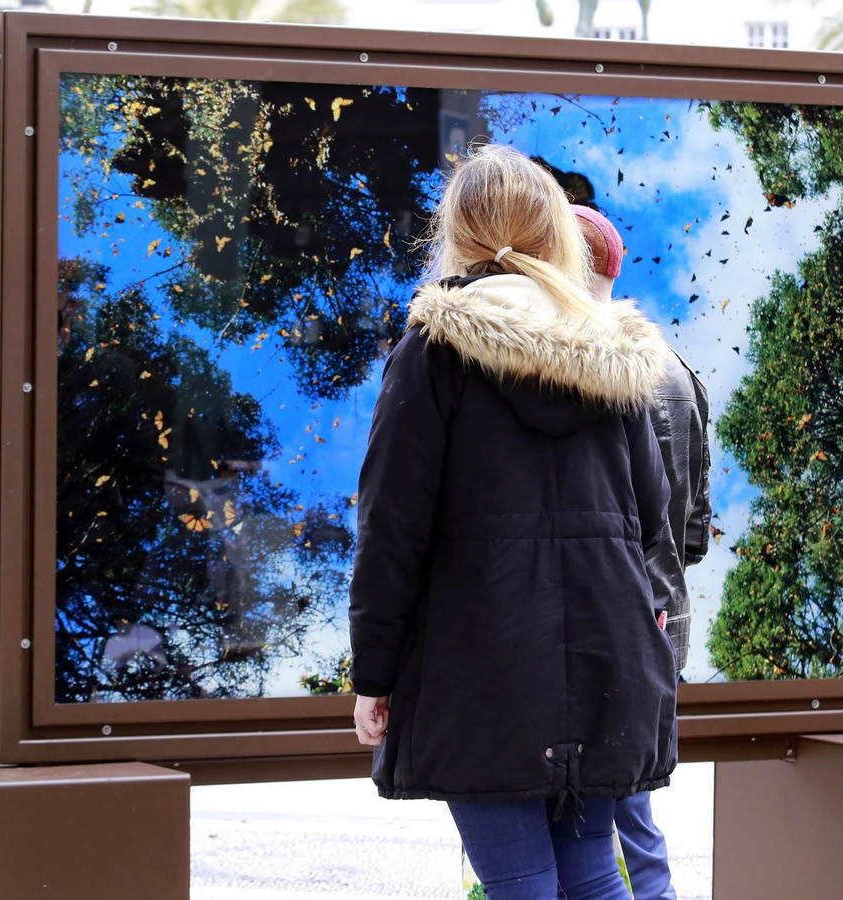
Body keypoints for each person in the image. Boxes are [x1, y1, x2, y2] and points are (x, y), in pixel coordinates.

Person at [348, 145, 676, 900]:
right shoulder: (611, 351)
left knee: (520, 885)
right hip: (606, 663)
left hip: (480, 674)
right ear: (556, 230)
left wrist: (375, 676)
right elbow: (653, 518)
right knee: (594, 879)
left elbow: (392, 528)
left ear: (458, 234)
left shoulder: (433, 351)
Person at [574, 204, 712, 900]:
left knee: (605, 819)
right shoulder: (676, 367)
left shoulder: (584, 367)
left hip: (611, 620)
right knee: (634, 808)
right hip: (665, 617)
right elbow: (696, 529)